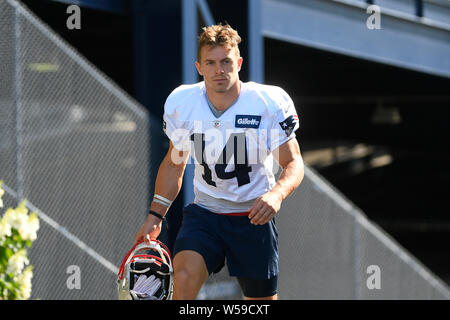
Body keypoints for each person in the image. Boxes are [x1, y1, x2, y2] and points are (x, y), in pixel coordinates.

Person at [134, 23, 304, 300]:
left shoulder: (267, 102)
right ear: (199, 67)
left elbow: (294, 163)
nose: (219, 70)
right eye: (210, 63)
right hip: (206, 214)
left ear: (238, 63)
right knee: (184, 276)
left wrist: (277, 195)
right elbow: (175, 163)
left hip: (253, 217)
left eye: (226, 61)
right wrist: (155, 216)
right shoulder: (184, 103)